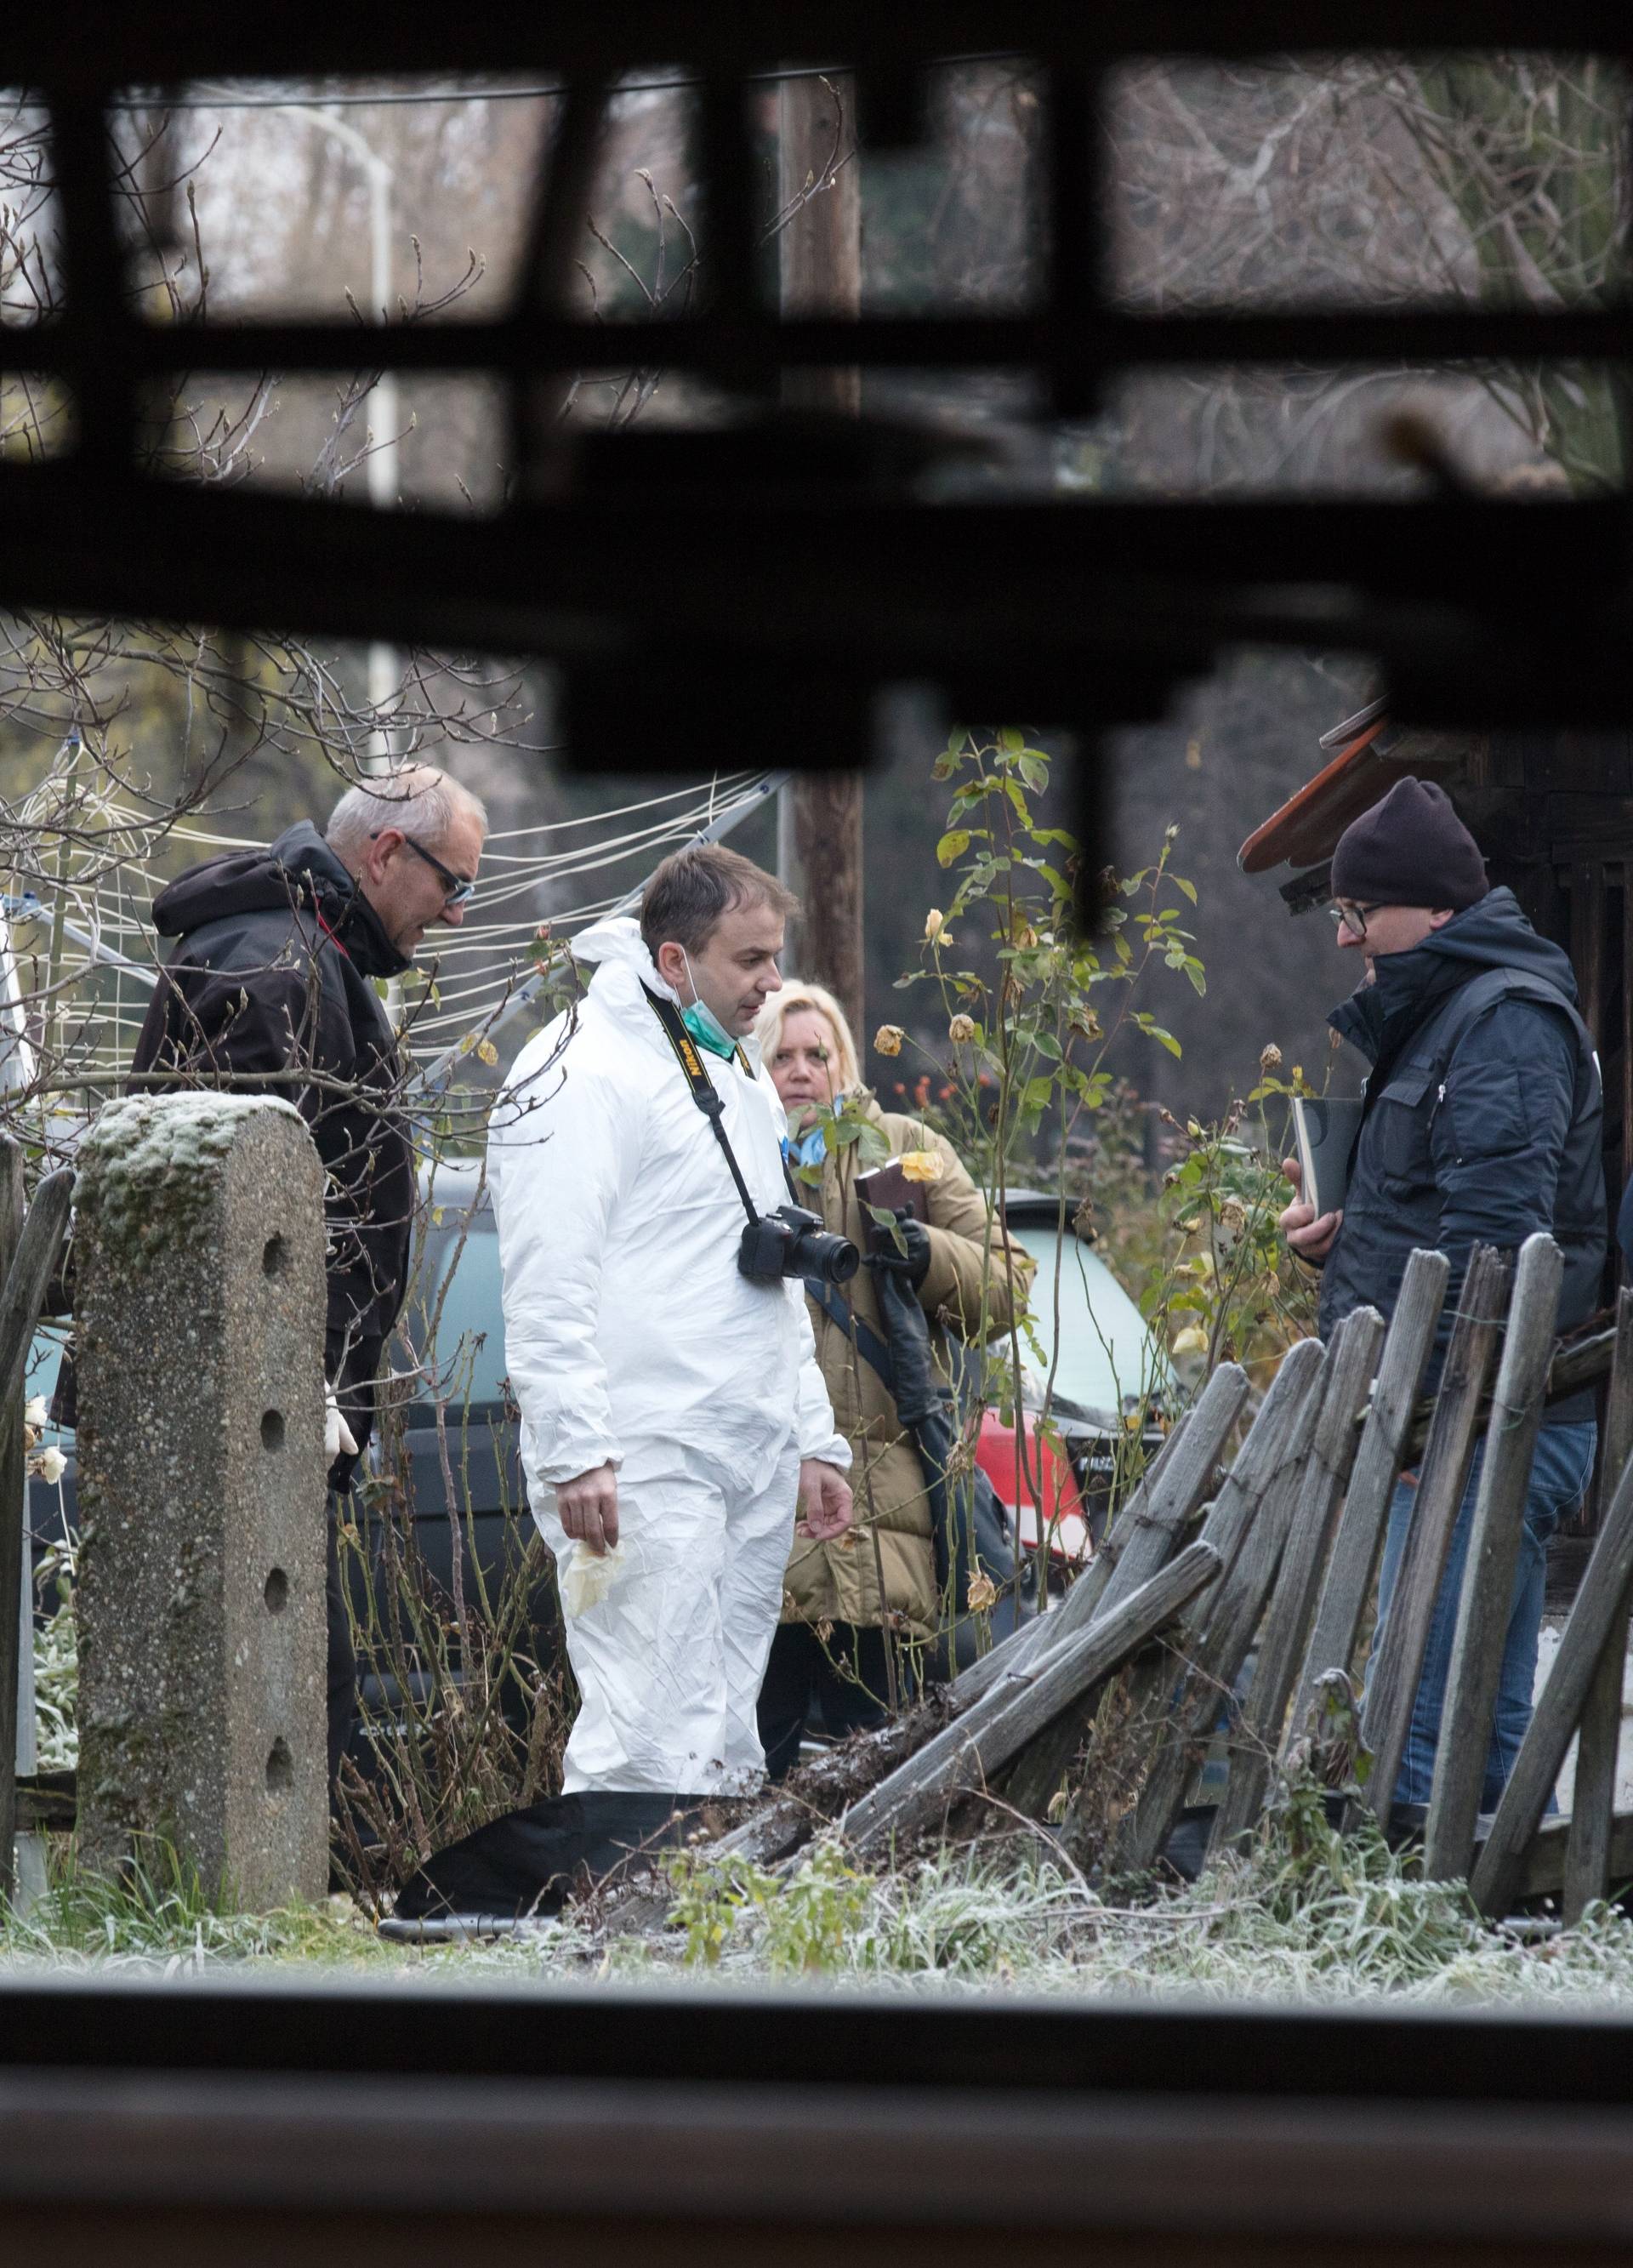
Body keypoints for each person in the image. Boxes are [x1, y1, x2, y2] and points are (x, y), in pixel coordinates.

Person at [127, 763, 489, 1785]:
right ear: (385, 852)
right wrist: (302, 1376)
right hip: (234, 1418)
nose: (457, 915)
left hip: (265, 1415)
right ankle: (252, 1934)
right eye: (451, 883)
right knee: (277, 1724)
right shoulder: (276, 964)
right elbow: (229, 1225)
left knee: (286, 1713)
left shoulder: (301, 950)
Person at [487, 845, 854, 1814]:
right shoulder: (577, 1069)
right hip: (643, 1457)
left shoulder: (727, 1070)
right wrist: (577, 1453)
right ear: (676, 958)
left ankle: (703, 1947)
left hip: (747, 1451)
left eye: (777, 957)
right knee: (646, 1727)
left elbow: (767, 1264)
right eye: (751, 960)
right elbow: (547, 1282)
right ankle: (621, 1944)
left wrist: (812, 1438)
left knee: (729, 1727)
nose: (773, 981)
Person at [1279, 775, 1604, 1818]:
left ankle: (1418, 1905)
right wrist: (1336, 1244)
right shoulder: (1451, 1013)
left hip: (1483, 1416)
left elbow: (1500, 1253)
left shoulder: (1502, 1020)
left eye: (1358, 912)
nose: (1345, 938)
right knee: (1475, 1698)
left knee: (1428, 1696)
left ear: (1434, 909)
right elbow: (1439, 1225)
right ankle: (1496, 1910)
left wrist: (1432, 1425)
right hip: (1458, 1412)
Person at [752, 980, 1033, 1779]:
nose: (801, 1071)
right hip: (762, 1515)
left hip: (885, 1526)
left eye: (818, 1053)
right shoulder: (734, 1161)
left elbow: (1008, 1283)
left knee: (875, 1778)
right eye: (781, 1055)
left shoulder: (897, 1153)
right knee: (746, 1776)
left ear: (845, 1063)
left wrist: (927, 1255)